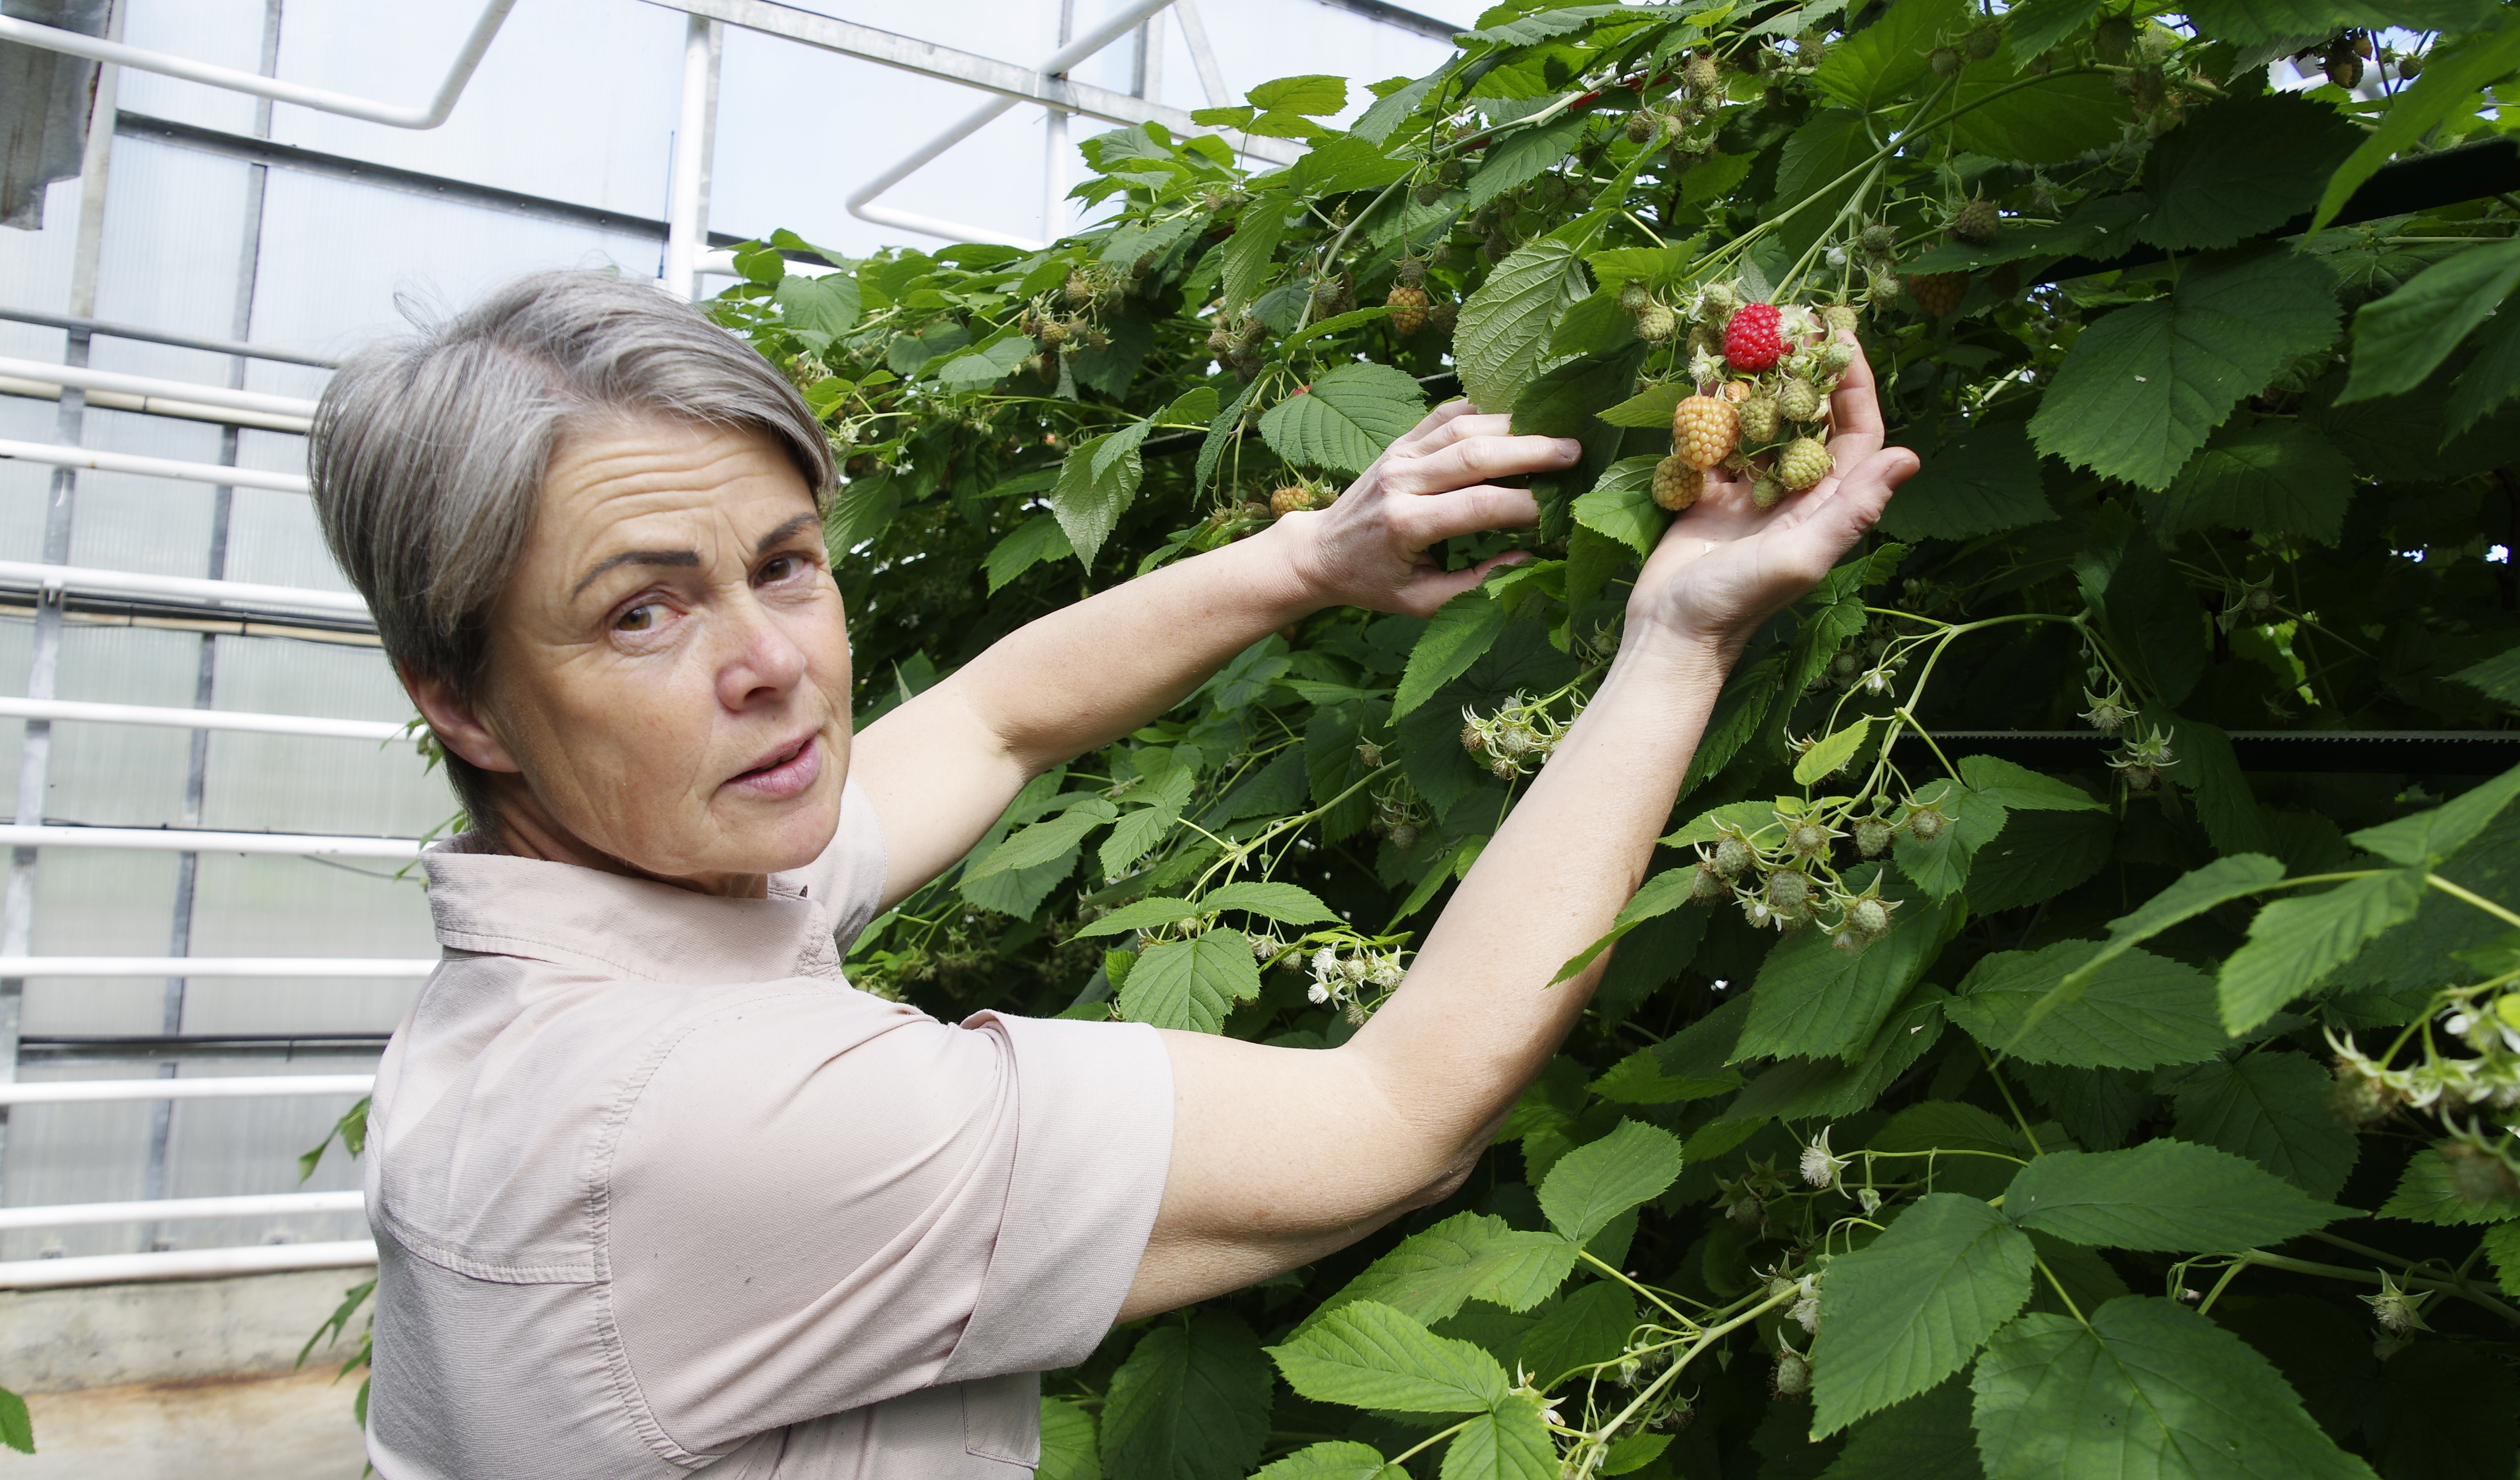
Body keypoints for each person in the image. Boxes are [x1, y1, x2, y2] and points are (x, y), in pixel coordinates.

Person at [307, 271, 1914, 1477]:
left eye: (787, 564)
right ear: (458, 699)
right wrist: (1677, 634)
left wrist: (1309, 556)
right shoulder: (705, 1116)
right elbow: (1392, 1123)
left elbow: (997, 717)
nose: (770, 666)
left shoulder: (623, 925)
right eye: (642, 612)